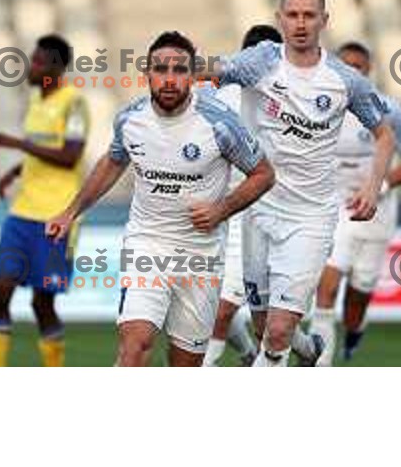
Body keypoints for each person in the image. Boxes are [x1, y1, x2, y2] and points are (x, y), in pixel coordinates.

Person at [47, 31, 275, 367]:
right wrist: (71, 212)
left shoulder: (220, 123)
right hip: (148, 245)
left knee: (184, 364)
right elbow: (112, 162)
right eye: (161, 69)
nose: (169, 80)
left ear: (193, 75)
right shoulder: (130, 119)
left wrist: (220, 210)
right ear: (147, 73)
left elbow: (264, 174)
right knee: (134, 346)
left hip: (201, 254)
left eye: (179, 70)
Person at [209, 0, 395, 367]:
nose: (300, 23)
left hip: (309, 216)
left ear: (324, 20)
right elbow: (212, 71)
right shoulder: (259, 61)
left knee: (276, 334)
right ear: (280, 19)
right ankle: (309, 350)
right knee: (265, 329)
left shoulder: (344, 79)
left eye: (309, 15)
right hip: (257, 210)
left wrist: (373, 187)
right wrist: (175, 69)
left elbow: (384, 133)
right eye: (292, 14)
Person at [309, 41, 401, 365]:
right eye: (347, 66)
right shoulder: (319, 108)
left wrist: (381, 187)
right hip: (337, 211)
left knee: (357, 299)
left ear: (369, 70)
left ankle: (356, 328)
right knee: (326, 288)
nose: (353, 72)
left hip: (377, 214)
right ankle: (321, 364)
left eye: (360, 66)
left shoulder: (389, 111)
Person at [0, 34, 90, 367]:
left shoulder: (74, 103)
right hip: (21, 213)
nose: (32, 66)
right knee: (0, 290)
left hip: (57, 217)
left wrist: (15, 144)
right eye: (33, 59)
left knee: (42, 304)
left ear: (57, 68)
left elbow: (70, 156)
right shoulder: (35, 99)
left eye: (40, 61)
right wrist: (15, 172)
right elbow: (40, 149)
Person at [202, 24, 283, 367]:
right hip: (220, 212)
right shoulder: (222, 96)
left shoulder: (289, 100)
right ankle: (292, 349)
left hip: (262, 214)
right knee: (208, 303)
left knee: (222, 311)